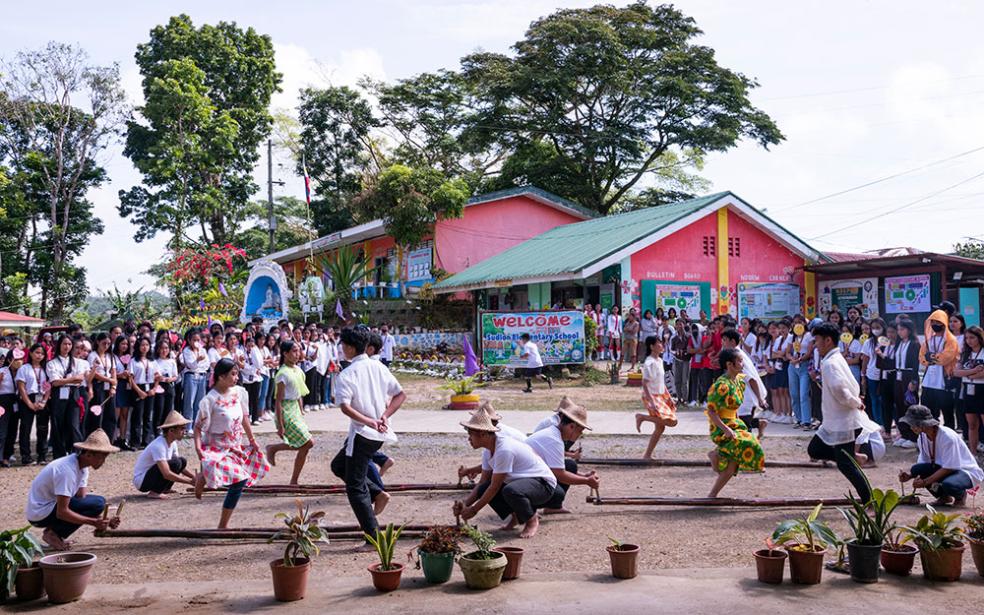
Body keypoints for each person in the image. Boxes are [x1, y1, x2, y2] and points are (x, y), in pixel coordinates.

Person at [330, 327, 406, 539]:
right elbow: (400, 395)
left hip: (364, 434)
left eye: (343, 345)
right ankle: (376, 493)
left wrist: (372, 421)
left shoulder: (347, 374)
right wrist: (384, 416)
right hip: (377, 432)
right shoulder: (378, 367)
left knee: (355, 487)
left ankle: (372, 535)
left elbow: (345, 407)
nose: (342, 349)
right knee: (338, 465)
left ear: (351, 348)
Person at [453, 410, 557, 539]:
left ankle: (532, 520)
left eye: (471, 434)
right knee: (485, 488)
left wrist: (474, 510)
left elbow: (495, 486)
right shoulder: (488, 450)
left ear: (484, 434)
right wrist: (465, 504)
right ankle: (515, 517)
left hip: (543, 485)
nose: (468, 438)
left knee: (510, 490)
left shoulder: (504, 449)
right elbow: (483, 483)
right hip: (523, 482)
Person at [193, 358, 270, 529]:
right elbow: (197, 428)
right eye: (233, 374)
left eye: (237, 374)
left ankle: (222, 522)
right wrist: (198, 448)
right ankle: (205, 477)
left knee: (239, 481)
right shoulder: (209, 400)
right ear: (221, 376)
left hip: (234, 445)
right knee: (239, 479)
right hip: (215, 447)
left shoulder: (239, 393)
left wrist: (252, 439)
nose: (236, 378)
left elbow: (244, 417)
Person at [807, 322, 877, 503]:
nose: (815, 345)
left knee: (846, 465)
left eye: (817, 341)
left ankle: (869, 500)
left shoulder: (831, 363)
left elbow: (840, 390)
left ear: (828, 341)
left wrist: (855, 403)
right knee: (815, 449)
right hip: (834, 419)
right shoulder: (835, 358)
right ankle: (853, 457)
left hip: (844, 420)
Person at [25, 429, 121, 551]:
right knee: (98, 503)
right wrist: (94, 522)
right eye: (101, 457)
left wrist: (103, 520)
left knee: (97, 503)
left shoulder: (82, 466)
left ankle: (54, 531)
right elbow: (62, 512)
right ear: (88, 454)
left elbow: (81, 499)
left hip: (49, 507)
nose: (103, 462)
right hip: (40, 513)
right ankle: (53, 534)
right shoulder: (67, 471)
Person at [705, 348, 765, 497]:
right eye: (739, 361)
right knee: (745, 445)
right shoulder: (721, 386)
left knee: (733, 463)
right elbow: (712, 412)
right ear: (729, 364)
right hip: (720, 427)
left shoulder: (739, 381)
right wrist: (726, 429)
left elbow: (734, 408)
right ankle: (716, 456)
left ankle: (713, 493)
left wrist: (738, 424)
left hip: (733, 423)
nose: (742, 364)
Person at [899, 405, 983, 506]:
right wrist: (910, 476)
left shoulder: (947, 437)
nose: (911, 427)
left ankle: (960, 495)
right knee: (917, 469)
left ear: (922, 424)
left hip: (964, 471)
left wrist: (925, 481)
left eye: (913, 424)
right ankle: (943, 497)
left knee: (949, 484)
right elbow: (924, 462)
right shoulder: (922, 437)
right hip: (943, 468)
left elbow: (950, 468)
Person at [525, 399, 599, 514]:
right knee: (557, 494)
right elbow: (559, 474)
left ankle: (552, 507)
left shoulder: (555, 434)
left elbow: (558, 468)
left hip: (532, 472)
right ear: (571, 427)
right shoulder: (554, 440)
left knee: (570, 465)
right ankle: (527, 509)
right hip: (524, 478)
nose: (580, 435)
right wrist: (586, 481)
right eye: (580, 431)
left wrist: (585, 476)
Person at [266, 340, 315, 485]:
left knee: (305, 445)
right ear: (285, 354)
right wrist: (280, 424)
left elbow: (299, 393)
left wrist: (300, 411)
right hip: (286, 410)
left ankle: (294, 480)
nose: (297, 354)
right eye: (294, 351)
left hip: (295, 409)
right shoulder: (282, 374)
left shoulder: (298, 370)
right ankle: (273, 448)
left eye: (298, 351)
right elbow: (279, 400)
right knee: (308, 442)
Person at [635, 335, 678, 459]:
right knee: (672, 421)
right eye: (659, 343)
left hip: (660, 394)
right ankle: (642, 417)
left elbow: (660, 381)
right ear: (652, 346)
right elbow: (645, 383)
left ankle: (647, 455)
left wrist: (668, 396)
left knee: (660, 427)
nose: (662, 346)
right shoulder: (649, 363)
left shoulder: (659, 361)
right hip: (652, 395)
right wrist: (651, 401)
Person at [133, 411, 194, 498]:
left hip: (151, 476)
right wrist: (190, 481)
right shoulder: (159, 445)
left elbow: (180, 467)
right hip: (142, 481)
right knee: (176, 463)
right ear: (171, 431)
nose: (184, 431)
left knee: (181, 461)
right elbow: (166, 473)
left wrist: (194, 477)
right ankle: (155, 492)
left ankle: (164, 488)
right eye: (182, 429)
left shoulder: (172, 443)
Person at [721, 329, 769, 439]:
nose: (722, 343)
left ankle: (751, 449)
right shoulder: (733, 355)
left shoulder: (738, 357)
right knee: (739, 421)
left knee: (743, 427)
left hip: (746, 397)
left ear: (733, 342)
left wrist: (760, 398)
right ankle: (759, 423)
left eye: (725, 340)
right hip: (740, 395)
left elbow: (751, 379)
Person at [919, 309, 960, 430]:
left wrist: (930, 358)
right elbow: (921, 358)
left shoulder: (951, 340)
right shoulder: (928, 340)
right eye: (933, 322)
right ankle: (931, 441)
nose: (935, 324)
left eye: (938, 322)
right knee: (928, 414)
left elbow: (945, 358)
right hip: (928, 383)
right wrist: (932, 358)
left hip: (944, 383)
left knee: (947, 415)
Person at [46, 335, 85, 459]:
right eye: (64, 344)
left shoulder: (77, 362)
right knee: (58, 424)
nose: (67, 347)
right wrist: (72, 379)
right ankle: (59, 454)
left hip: (74, 393)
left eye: (69, 344)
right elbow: (55, 382)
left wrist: (66, 380)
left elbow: (80, 378)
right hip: (58, 394)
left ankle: (78, 452)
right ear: (59, 345)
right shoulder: (51, 363)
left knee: (74, 424)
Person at [16, 344, 50, 465]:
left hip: (42, 399)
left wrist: (44, 401)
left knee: (43, 428)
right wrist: (29, 404)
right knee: (25, 428)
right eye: (37, 352)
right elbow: (21, 388)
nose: (39, 355)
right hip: (27, 399)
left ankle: (42, 455)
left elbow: (48, 387)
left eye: (42, 353)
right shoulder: (24, 368)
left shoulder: (46, 369)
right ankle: (26, 457)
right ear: (30, 353)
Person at [954, 326, 984, 453]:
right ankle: (973, 453)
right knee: (972, 424)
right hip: (968, 391)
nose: (969, 341)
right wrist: (973, 371)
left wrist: (965, 374)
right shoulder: (965, 353)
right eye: (966, 338)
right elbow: (955, 372)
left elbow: (982, 374)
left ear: (979, 338)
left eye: (972, 337)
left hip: (982, 390)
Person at [892, 319, 921, 446]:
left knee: (910, 407)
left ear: (909, 330)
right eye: (898, 329)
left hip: (909, 376)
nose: (899, 332)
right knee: (899, 406)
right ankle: (904, 434)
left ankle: (914, 437)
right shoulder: (899, 343)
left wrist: (914, 380)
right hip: (898, 376)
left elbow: (916, 363)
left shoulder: (914, 344)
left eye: (902, 329)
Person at [129, 336, 159, 449]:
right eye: (142, 345)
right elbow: (130, 379)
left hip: (150, 387)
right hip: (138, 387)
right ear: (138, 346)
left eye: (147, 345)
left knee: (148, 416)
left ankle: (146, 441)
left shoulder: (152, 361)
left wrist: (154, 389)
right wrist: (139, 391)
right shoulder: (133, 361)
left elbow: (157, 377)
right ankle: (135, 442)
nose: (144, 347)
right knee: (137, 415)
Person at [86, 333, 117, 439]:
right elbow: (93, 373)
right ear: (98, 342)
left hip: (109, 387)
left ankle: (108, 439)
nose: (106, 345)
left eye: (109, 343)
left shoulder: (110, 356)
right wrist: (109, 379)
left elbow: (113, 371)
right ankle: (95, 439)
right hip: (98, 386)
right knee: (98, 415)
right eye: (104, 343)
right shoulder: (92, 355)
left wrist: (113, 387)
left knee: (110, 414)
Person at [180, 329, 209, 432]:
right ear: (189, 340)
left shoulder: (203, 350)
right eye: (194, 340)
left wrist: (198, 363)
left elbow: (206, 364)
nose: (196, 342)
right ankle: (188, 426)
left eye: (198, 339)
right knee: (189, 402)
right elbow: (190, 365)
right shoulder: (186, 351)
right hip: (191, 377)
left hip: (202, 376)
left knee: (199, 402)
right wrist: (197, 360)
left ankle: (197, 426)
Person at [0, 350, 24, 467]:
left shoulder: (22, 372)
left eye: (20, 359)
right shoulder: (2, 371)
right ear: (9, 360)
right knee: (2, 430)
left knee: (13, 430)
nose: (19, 362)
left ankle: (7, 456)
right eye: (16, 359)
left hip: (16, 401)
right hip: (3, 401)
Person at [152, 338, 178, 434]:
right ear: (158, 349)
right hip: (159, 386)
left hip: (169, 386)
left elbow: (176, 376)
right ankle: (156, 431)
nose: (164, 350)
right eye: (162, 348)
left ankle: (166, 431)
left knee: (168, 410)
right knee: (159, 409)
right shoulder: (155, 361)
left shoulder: (172, 361)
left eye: (166, 348)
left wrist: (170, 379)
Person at [670, 320, 691, 405]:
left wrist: (684, 351)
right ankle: (679, 398)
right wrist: (676, 352)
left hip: (686, 360)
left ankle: (685, 399)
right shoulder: (674, 338)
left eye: (680, 324)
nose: (679, 326)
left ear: (684, 325)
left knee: (684, 381)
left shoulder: (688, 337)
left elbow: (690, 348)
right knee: (677, 380)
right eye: (677, 324)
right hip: (677, 360)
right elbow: (672, 349)